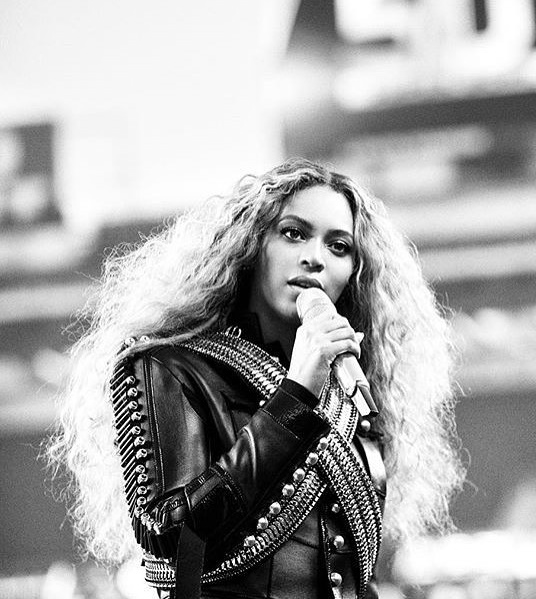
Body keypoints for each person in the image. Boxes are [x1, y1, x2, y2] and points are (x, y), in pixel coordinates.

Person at [49, 159, 464, 599]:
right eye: (293, 233)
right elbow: (171, 534)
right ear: (252, 244)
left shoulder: (350, 389)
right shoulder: (170, 366)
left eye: (339, 246)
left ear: (353, 272)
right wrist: (295, 395)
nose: (315, 257)